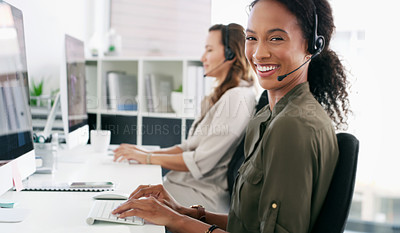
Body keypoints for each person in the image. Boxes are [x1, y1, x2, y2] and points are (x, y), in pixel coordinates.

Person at [112, 0, 350, 232]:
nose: (258, 53)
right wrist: (185, 212)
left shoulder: (293, 126)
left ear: (313, 45)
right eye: (251, 38)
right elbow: (249, 224)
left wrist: (177, 222)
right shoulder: (270, 116)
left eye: (276, 38)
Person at [113, 23, 256, 213]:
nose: (202, 57)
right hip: (185, 187)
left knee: (124, 198)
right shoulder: (222, 95)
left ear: (231, 54)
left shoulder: (237, 98)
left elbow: (199, 161)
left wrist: (146, 158)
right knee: (124, 192)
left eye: (209, 50)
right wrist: (142, 153)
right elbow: (188, 146)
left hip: (201, 196)